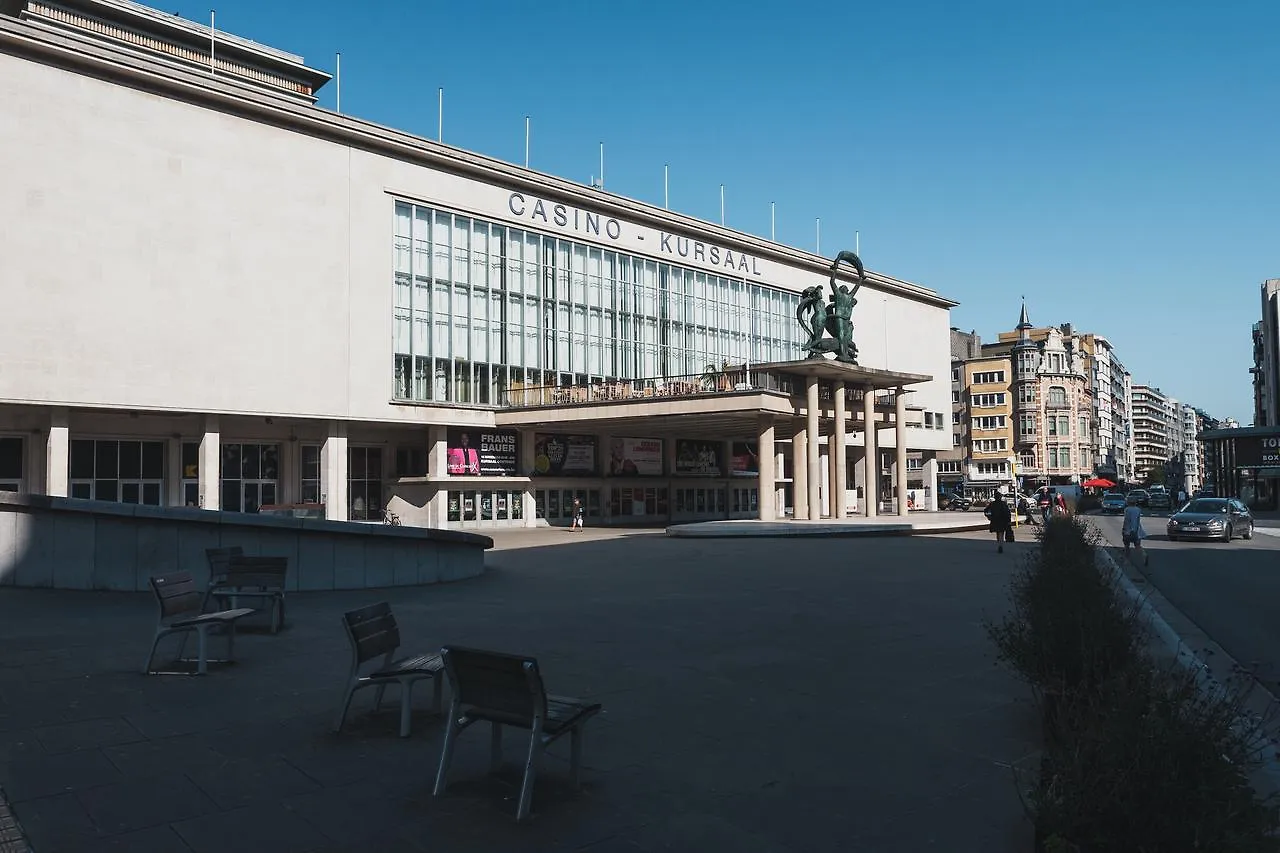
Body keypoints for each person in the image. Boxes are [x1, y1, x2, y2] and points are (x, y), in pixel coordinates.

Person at [1122, 495, 1148, 566]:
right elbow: (1137, 520)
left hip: (1128, 530)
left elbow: (1127, 520)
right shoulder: (1138, 509)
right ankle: (1144, 554)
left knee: (1127, 546)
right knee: (1137, 545)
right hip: (1137, 530)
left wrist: (1124, 529)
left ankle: (1126, 560)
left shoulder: (1127, 510)